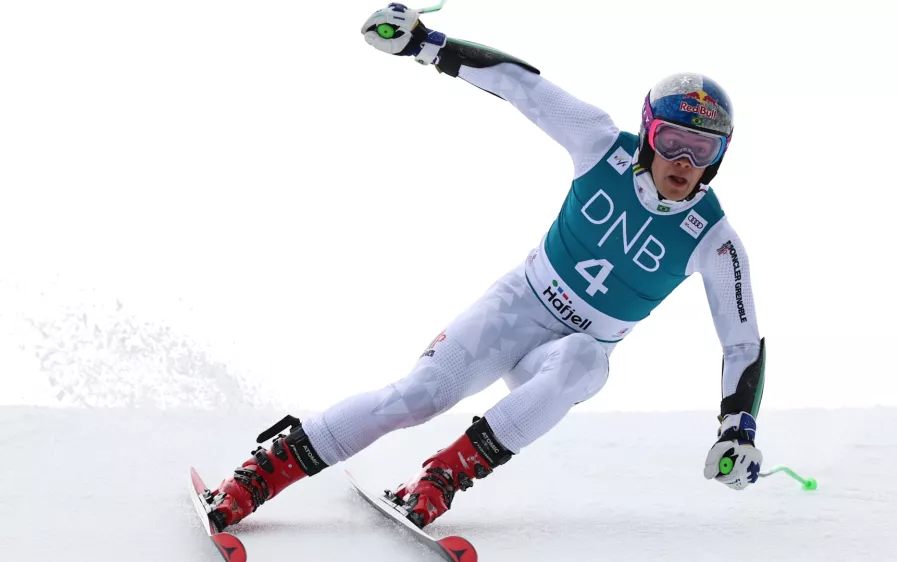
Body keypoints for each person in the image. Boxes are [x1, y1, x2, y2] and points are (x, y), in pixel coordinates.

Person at [204, 2, 767, 532]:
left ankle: (441, 479)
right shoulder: (600, 143)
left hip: (563, 357)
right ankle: (261, 475)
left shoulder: (715, 241)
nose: (684, 161)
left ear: (720, 156)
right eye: (672, 140)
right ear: (647, 133)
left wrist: (737, 428)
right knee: (416, 397)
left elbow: (742, 343)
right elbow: (523, 87)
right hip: (515, 310)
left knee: (584, 361)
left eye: (703, 149)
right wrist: (425, 44)